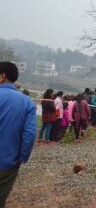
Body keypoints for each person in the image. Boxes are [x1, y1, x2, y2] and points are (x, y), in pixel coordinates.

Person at [0, 62, 36, 207]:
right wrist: (22, 157)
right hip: (7, 165)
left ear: (3, 76)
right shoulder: (27, 102)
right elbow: (29, 134)